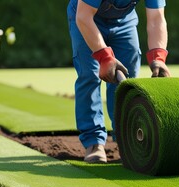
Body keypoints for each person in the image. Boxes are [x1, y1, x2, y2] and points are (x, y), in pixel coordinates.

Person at [67, 0, 171, 163]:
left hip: (124, 21)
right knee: (90, 75)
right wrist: (104, 56)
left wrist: (158, 57)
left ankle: (125, 138)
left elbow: (156, 18)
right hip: (87, 18)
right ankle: (93, 142)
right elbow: (83, 16)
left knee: (127, 80)